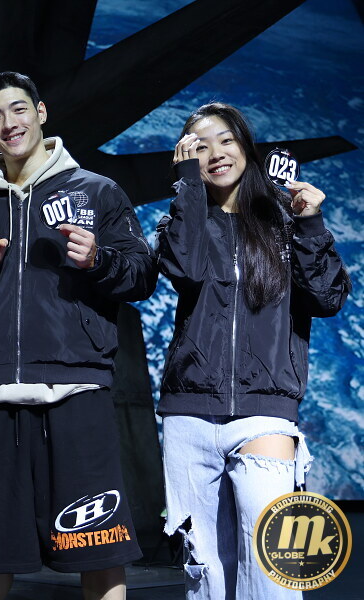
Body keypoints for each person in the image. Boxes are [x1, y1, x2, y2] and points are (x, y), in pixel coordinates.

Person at [0, 71, 155, 600]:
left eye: (18, 110)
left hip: (76, 392)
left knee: (100, 551)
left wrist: (97, 260)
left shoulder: (98, 191)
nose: (9, 124)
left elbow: (142, 276)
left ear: (41, 113)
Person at [155, 102, 350, 600]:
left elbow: (327, 298)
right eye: (200, 147)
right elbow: (185, 270)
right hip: (188, 413)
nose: (216, 153)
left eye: (226, 140)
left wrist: (311, 225)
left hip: (265, 411)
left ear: (246, 145)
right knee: (205, 569)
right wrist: (187, 187)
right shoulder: (183, 221)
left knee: (271, 566)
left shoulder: (286, 221)